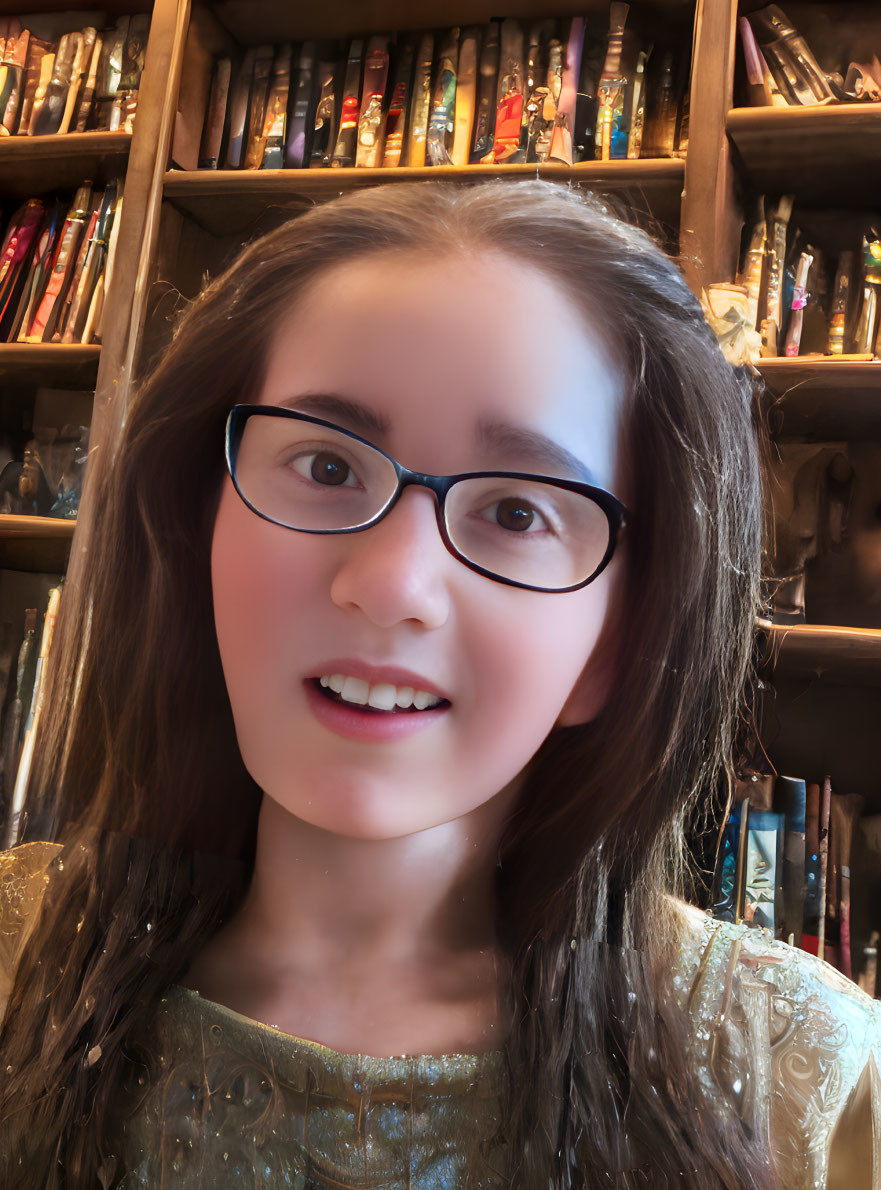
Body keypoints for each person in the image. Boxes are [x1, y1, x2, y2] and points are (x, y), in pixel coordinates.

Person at [0, 180, 877, 1189]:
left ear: (614, 640)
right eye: (325, 466)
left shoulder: (806, 1078)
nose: (389, 586)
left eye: (515, 514)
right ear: (197, 531)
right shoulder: (18, 963)